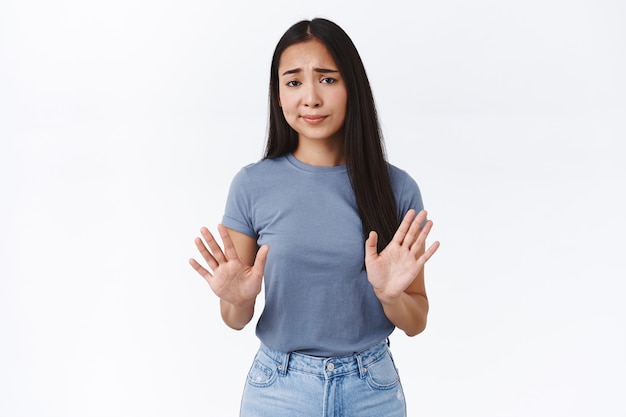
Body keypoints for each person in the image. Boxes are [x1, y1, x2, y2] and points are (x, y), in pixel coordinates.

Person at [189, 17, 440, 417]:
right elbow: (235, 318)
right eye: (293, 82)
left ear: (352, 87)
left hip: (371, 389)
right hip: (278, 389)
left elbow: (416, 321)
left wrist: (390, 295)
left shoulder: (396, 188)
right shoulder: (252, 185)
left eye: (327, 79)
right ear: (278, 96)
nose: (310, 98)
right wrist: (238, 300)